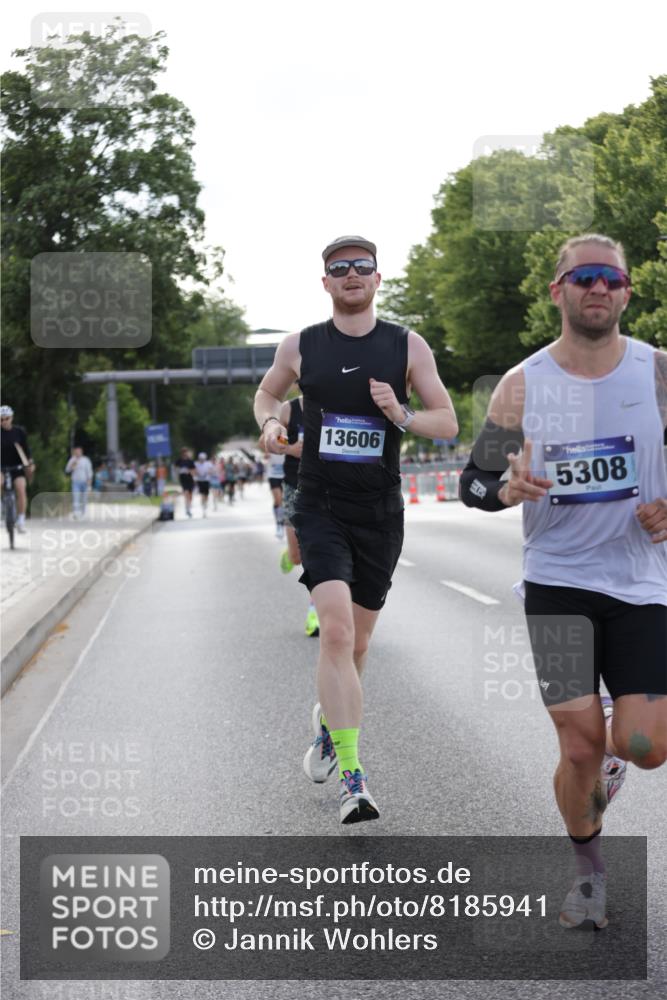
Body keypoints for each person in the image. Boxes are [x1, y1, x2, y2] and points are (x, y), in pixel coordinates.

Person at [460, 233, 667, 928]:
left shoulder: (657, 372)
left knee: (643, 746)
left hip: (642, 580)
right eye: (583, 277)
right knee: (576, 743)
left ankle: (611, 760)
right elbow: (474, 483)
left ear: (626, 291)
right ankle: (588, 874)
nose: (598, 288)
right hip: (554, 582)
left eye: (611, 278)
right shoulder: (521, 386)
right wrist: (504, 489)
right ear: (558, 291)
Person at [254, 234, 458, 824]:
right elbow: (268, 391)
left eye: (361, 267)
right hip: (318, 505)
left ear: (375, 278)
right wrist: (270, 421)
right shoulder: (301, 346)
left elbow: (445, 420)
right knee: (338, 635)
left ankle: (327, 725)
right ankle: (353, 778)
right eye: (339, 268)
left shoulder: (406, 345)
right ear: (325, 283)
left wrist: (400, 414)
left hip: (379, 513)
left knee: (359, 643)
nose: (351, 275)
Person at [278, 395, 320, 637]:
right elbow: (272, 442)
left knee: (318, 555)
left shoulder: (333, 403)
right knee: (297, 557)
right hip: (293, 485)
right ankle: (290, 553)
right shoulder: (289, 410)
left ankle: (315, 611)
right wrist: (290, 448)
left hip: (322, 488)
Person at [0, 405, 35, 533]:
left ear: (12, 418)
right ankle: (1, 504)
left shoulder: (19, 432)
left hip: (17, 467)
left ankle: (21, 520)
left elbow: (27, 450)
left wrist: (30, 463)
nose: (4, 421)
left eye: (6, 418)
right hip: (1, 467)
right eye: (1, 419)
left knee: (21, 488)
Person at [65, 446, 93, 518]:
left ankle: (83, 512)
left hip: (84, 482)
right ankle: (76, 512)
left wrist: (89, 483)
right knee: (76, 497)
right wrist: (72, 465)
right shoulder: (72, 460)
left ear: (81, 452)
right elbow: (67, 470)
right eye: (76, 452)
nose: (77, 453)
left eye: (79, 452)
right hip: (76, 482)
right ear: (74, 452)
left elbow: (89, 472)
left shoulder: (86, 460)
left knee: (84, 498)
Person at [175, 447, 196, 517]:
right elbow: (176, 469)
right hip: (183, 479)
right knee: (186, 493)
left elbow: (194, 471)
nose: (185, 453)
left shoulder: (190, 461)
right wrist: (180, 471)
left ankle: (189, 507)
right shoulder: (179, 461)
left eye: (186, 452)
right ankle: (187, 509)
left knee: (190, 495)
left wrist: (189, 471)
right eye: (184, 452)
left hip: (190, 479)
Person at [195, 452, 214, 517]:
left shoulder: (208, 464)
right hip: (200, 480)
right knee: (202, 494)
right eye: (200, 458)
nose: (201, 460)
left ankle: (205, 503)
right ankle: (203, 506)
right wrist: (198, 473)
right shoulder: (196, 464)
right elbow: (195, 471)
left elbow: (211, 470)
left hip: (206, 480)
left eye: (202, 458)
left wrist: (208, 472)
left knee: (206, 494)